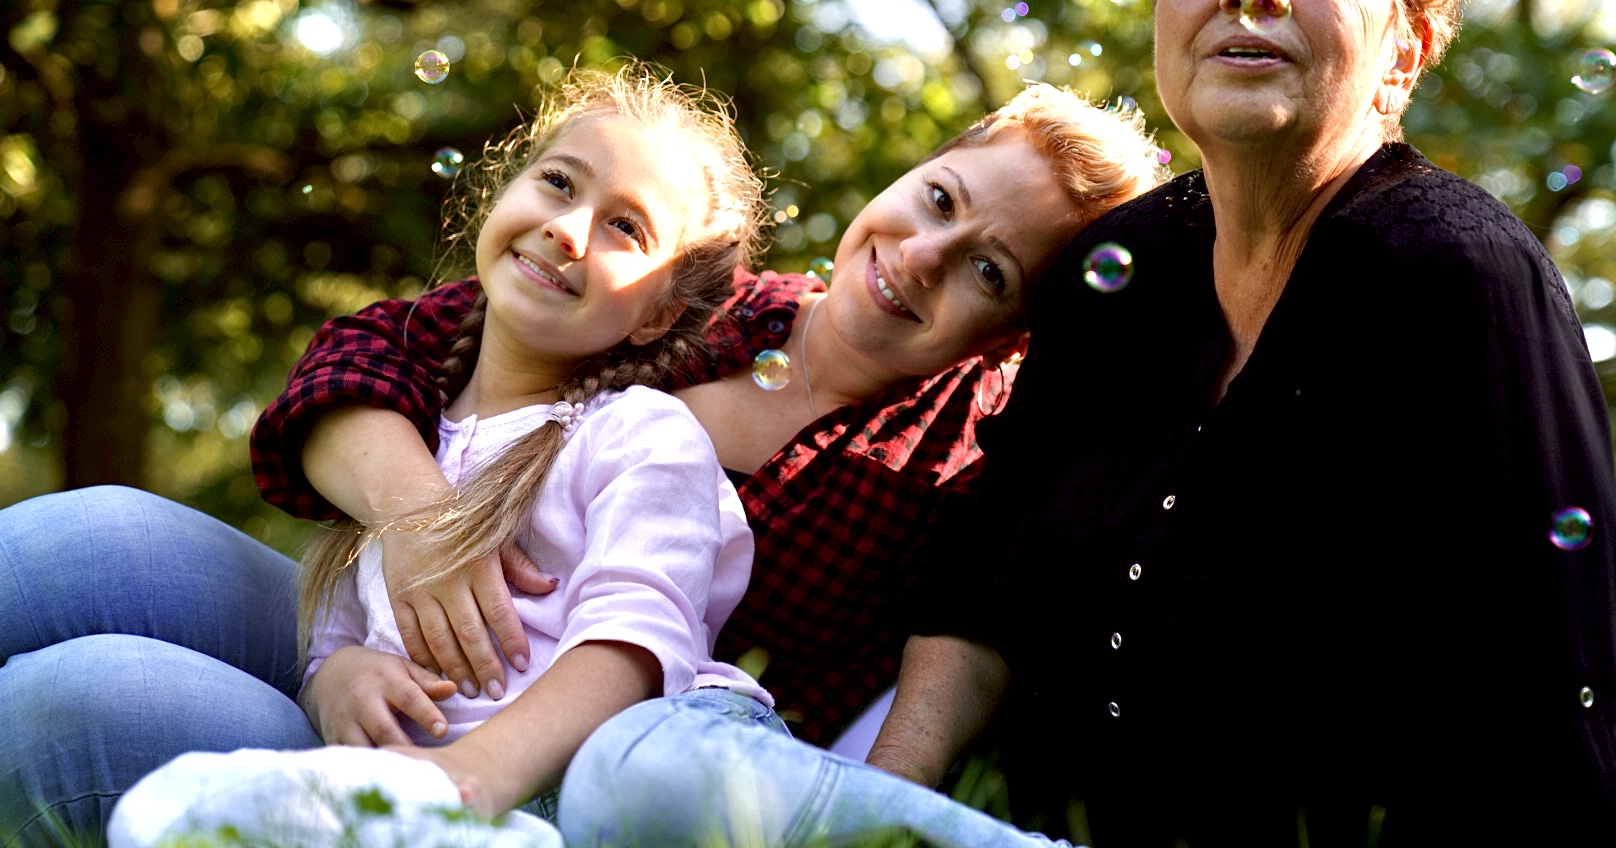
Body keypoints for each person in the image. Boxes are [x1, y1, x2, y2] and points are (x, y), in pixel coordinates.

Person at [552, 0, 1616, 846]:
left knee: (638, 773)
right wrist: (875, 820)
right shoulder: (1126, 267)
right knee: (644, 771)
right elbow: (980, 592)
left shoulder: (1453, 277)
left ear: (1407, 49)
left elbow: (1554, 703)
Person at [0, 81, 1164, 844]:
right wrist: (416, 528)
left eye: (987, 270)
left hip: (564, 766)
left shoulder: (958, 463)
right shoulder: (699, 293)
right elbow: (377, 350)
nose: (918, 254)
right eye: (936, 199)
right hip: (399, 667)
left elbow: (960, 626)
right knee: (93, 535)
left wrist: (877, 811)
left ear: (1014, 331)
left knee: (72, 704)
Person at [106, 64, 771, 837]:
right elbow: (340, 633)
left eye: (626, 227)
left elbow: (636, 649)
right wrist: (337, 683)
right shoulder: (405, 432)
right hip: (405, 789)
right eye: (559, 182)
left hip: (564, 793)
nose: (568, 228)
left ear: (659, 315)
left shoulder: (639, 435)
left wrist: (466, 777)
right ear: (500, 193)